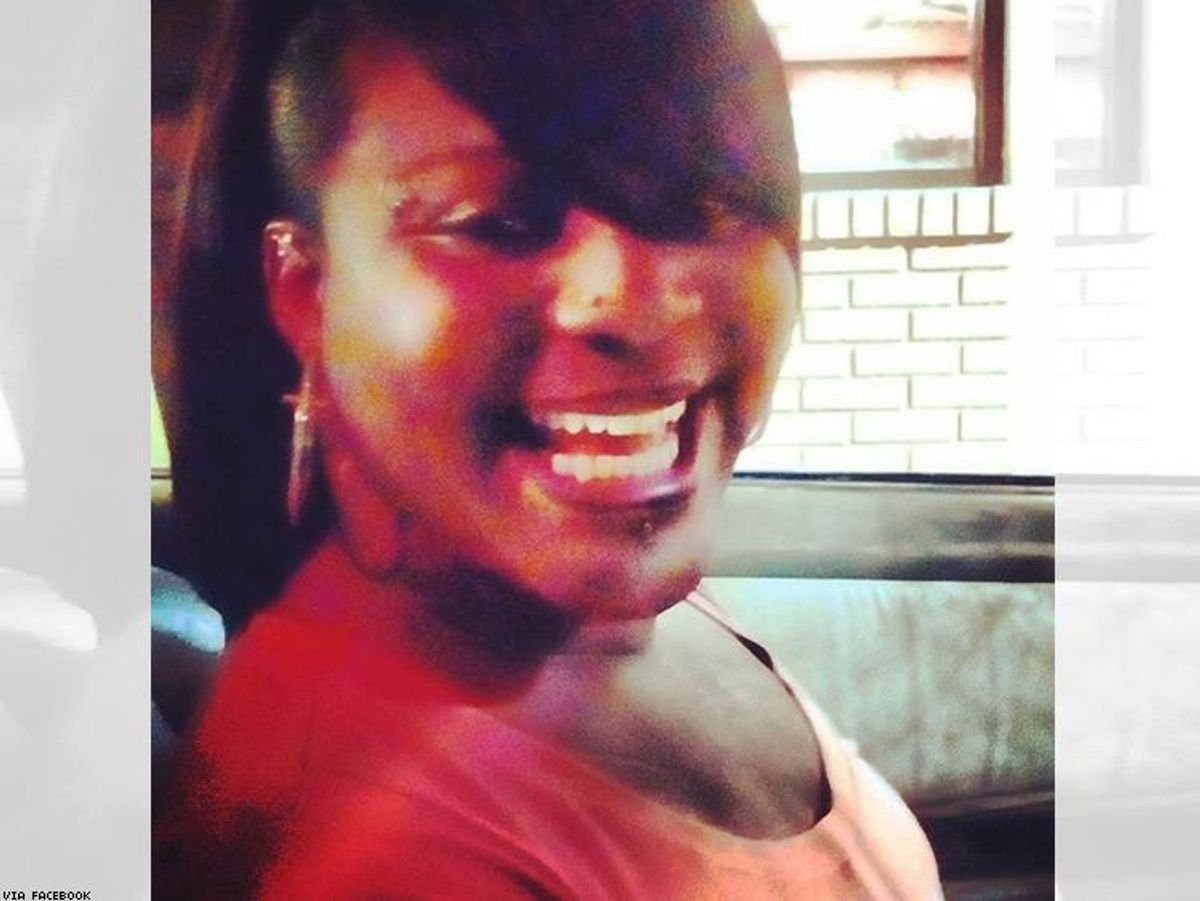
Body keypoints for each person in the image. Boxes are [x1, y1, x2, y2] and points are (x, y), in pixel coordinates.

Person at [154, 0, 942, 897]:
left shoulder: (612, 598)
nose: (633, 303)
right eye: (497, 220)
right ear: (307, 294)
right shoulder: (372, 850)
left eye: (701, 203)